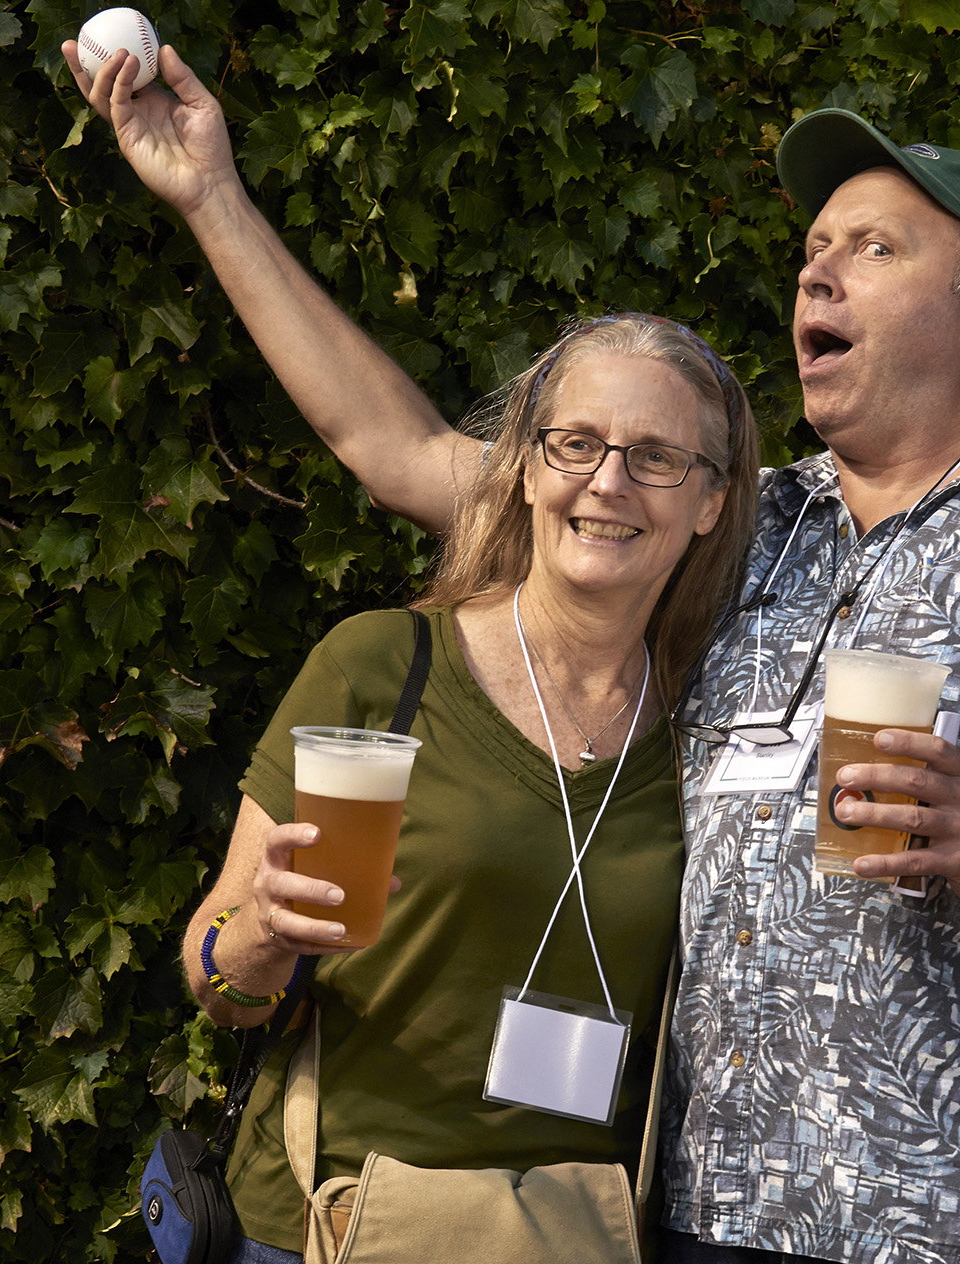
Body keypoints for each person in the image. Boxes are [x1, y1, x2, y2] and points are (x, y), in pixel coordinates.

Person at [67, 44, 960, 1264]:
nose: (817, 271)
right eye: (813, 252)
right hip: (702, 1222)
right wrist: (211, 193)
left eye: (874, 249)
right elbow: (398, 446)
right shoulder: (741, 528)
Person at [177, 311, 759, 1261]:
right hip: (326, 1228)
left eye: (657, 457)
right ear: (528, 467)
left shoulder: (716, 731)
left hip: (569, 1238)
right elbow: (217, 983)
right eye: (576, 443)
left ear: (708, 501)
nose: (608, 480)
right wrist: (262, 938)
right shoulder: (382, 664)